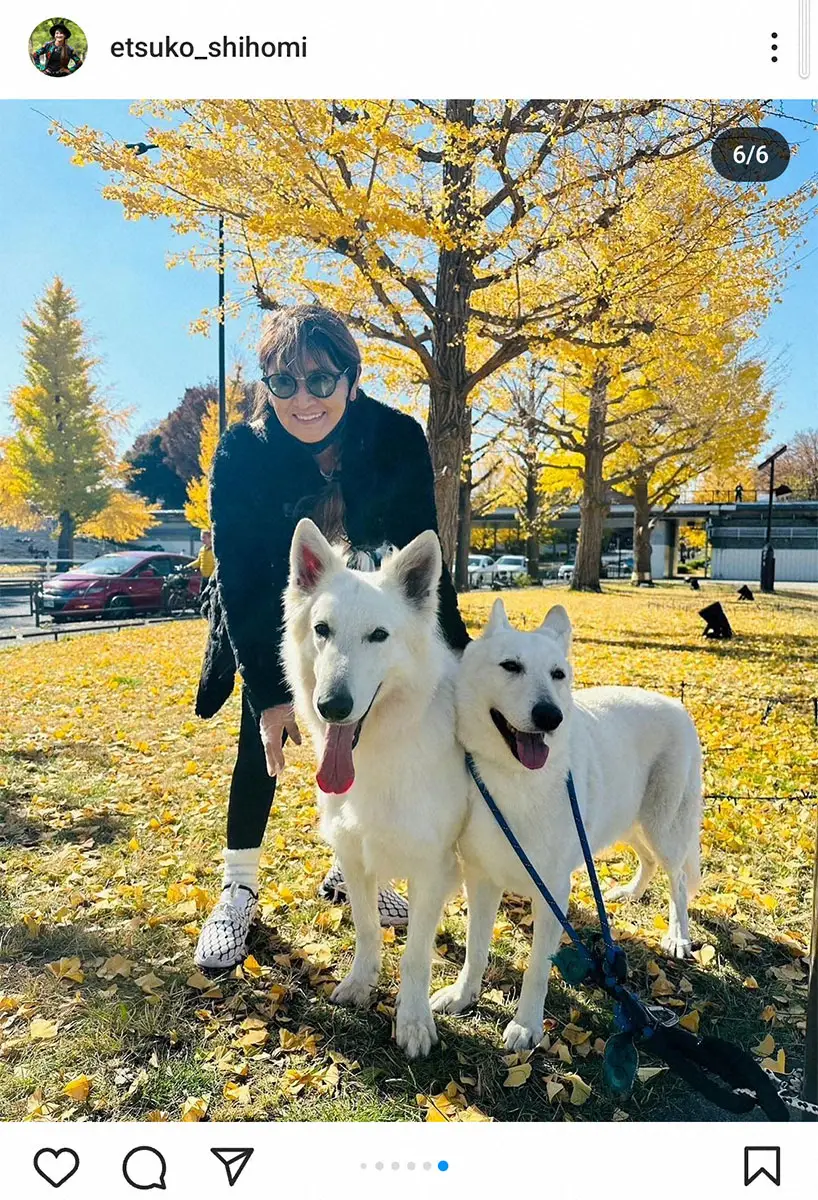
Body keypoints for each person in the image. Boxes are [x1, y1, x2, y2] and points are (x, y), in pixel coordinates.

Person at [193, 305, 469, 969]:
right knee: (264, 736)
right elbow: (242, 577)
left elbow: (421, 567)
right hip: (274, 603)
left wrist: (464, 663)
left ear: (352, 378)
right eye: (283, 383)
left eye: (321, 380)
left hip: (368, 604)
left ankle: (356, 872)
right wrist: (268, 693)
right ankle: (237, 888)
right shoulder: (243, 454)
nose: (303, 400)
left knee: (365, 735)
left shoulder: (396, 438)